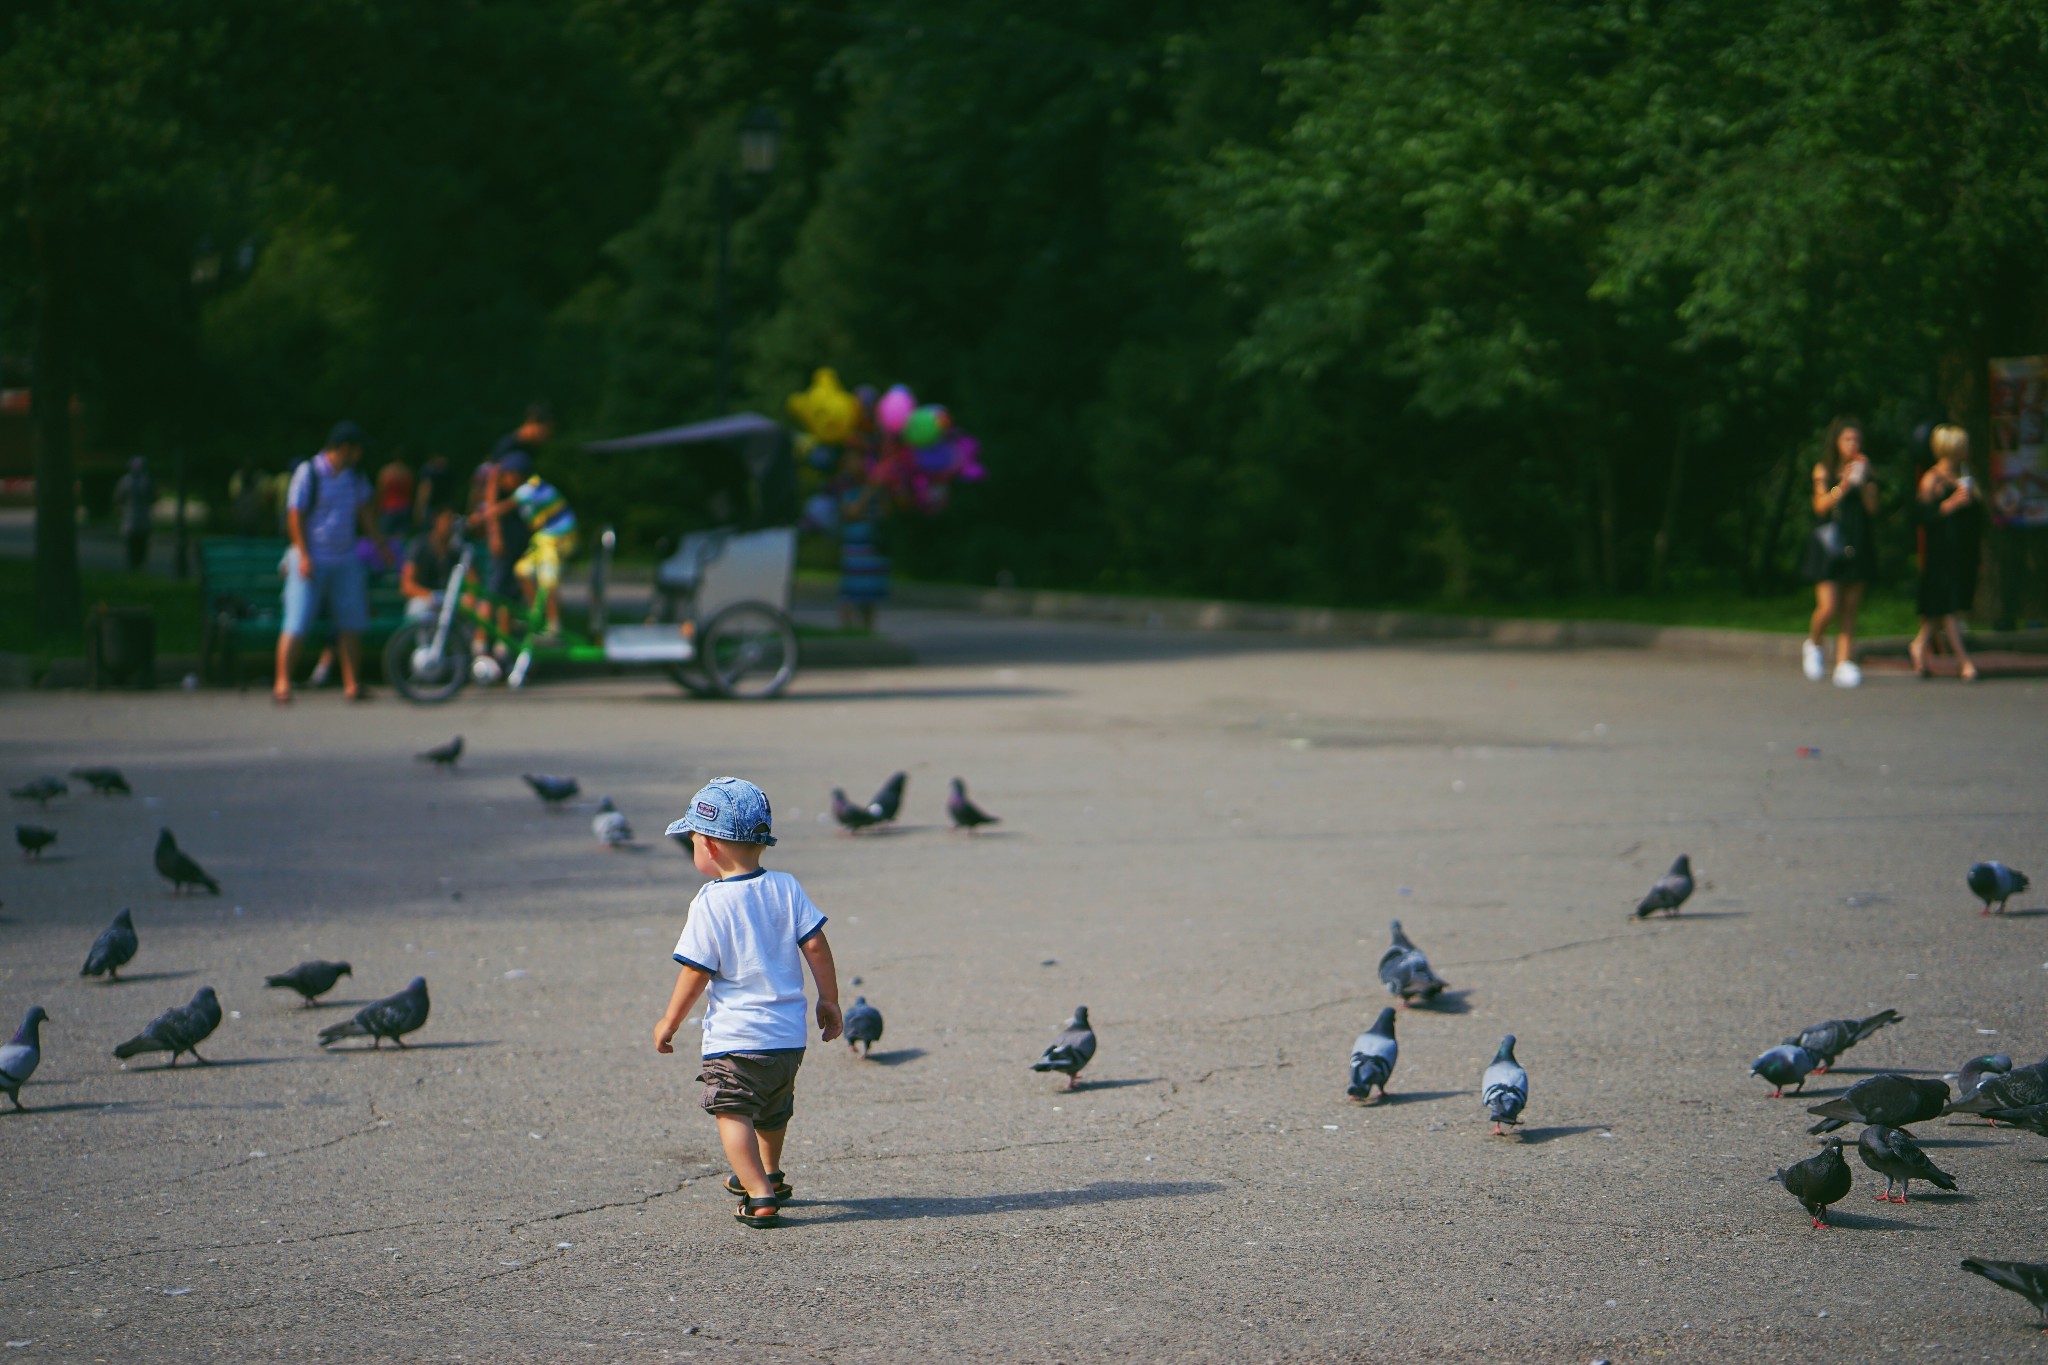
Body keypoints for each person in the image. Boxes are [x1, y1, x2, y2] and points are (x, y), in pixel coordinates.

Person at [653, 778, 842, 1230]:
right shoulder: (786, 886)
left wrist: (670, 1020)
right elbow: (815, 944)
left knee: (731, 1110)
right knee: (774, 1110)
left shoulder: (710, 902)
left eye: (694, 839)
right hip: (787, 1038)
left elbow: (695, 971)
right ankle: (769, 1174)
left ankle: (758, 1193)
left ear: (712, 847)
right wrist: (830, 1000)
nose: (694, 847)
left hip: (735, 1039)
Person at [274, 421, 388, 704]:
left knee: (350, 623)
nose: (360, 456)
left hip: (345, 557)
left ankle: (353, 684)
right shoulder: (309, 473)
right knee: (298, 621)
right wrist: (303, 554)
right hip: (312, 557)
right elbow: (295, 515)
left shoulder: (354, 476)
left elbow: (364, 513)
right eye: (357, 450)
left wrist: (379, 544)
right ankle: (282, 682)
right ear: (345, 449)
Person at [1801, 416, 1879, 688]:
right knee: (1828, 606)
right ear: (1836, 442)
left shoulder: (1864, 471)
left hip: (1857, 539)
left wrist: (1865, 480)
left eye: (1856, 439)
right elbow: (1820, 506)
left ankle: (1844, 662)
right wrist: (1844, 485)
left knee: (1849, 608)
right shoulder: (1823, 470)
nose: (1852, 444)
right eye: (1847, 439)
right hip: (1829, 542)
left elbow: (1872, 509)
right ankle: (1814, 643)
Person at [474, 451, 577, 638]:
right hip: (544, 538)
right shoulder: (531, 490)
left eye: (506, 476)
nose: (504, 482)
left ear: (516, 475)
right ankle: (535, 614)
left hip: (557, 537)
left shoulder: (530, 488)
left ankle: (554, 625)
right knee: (522, 571)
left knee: (547, 578)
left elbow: (504, 507)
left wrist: (480, 517)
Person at [1910, 423, 1983, 681]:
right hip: (1940, 552)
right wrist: (1951, 504)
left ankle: (1919, 645)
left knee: (1939, 609)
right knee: (1949, 607)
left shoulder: (1965, 476)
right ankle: (1964, 661)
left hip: (1960, 550)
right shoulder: (1932, 479)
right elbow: (1922, 517)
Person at [399, 495, 460, 622]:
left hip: (453, 604)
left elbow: (473, 581)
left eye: (453, 520)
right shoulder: (419, 546)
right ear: (436, 520)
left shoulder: (457, 549)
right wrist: (433, 597)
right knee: (418, 608)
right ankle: (424, 643)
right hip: (426, 600)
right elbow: (406, 585)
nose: (449, 524)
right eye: (446, 518)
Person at [112, 457, 156, 571]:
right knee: (132, 540)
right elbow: (118, 496)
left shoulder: (145, 480)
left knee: (142, 539)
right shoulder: (126, 481)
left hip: (141, 514)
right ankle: (133, 563)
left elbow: (153, 496)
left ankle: (140, 562)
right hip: (130, 515)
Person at [375, 455, 416, 537]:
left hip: (389, 507)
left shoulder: (387, 472)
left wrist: (377, 507)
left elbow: (381, 491)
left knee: (385, 536)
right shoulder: (408, 472)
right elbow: (411, 491)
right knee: (402, 538)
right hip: (404, 507)